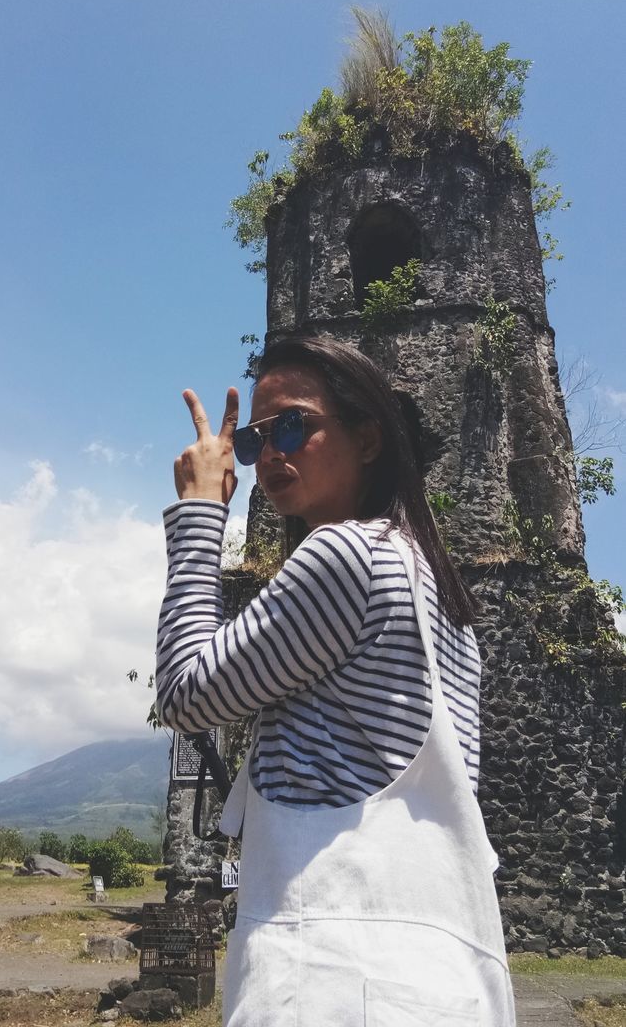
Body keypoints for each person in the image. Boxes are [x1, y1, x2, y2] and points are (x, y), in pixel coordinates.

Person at [156, 335, 515, 1026]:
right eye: (259, 440)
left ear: (368, 437)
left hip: (332, 975)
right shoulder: (442, 595)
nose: (273, 453)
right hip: (447, 977)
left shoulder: (345, 553)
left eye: (295, 424)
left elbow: (184, 694)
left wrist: (202, 511)